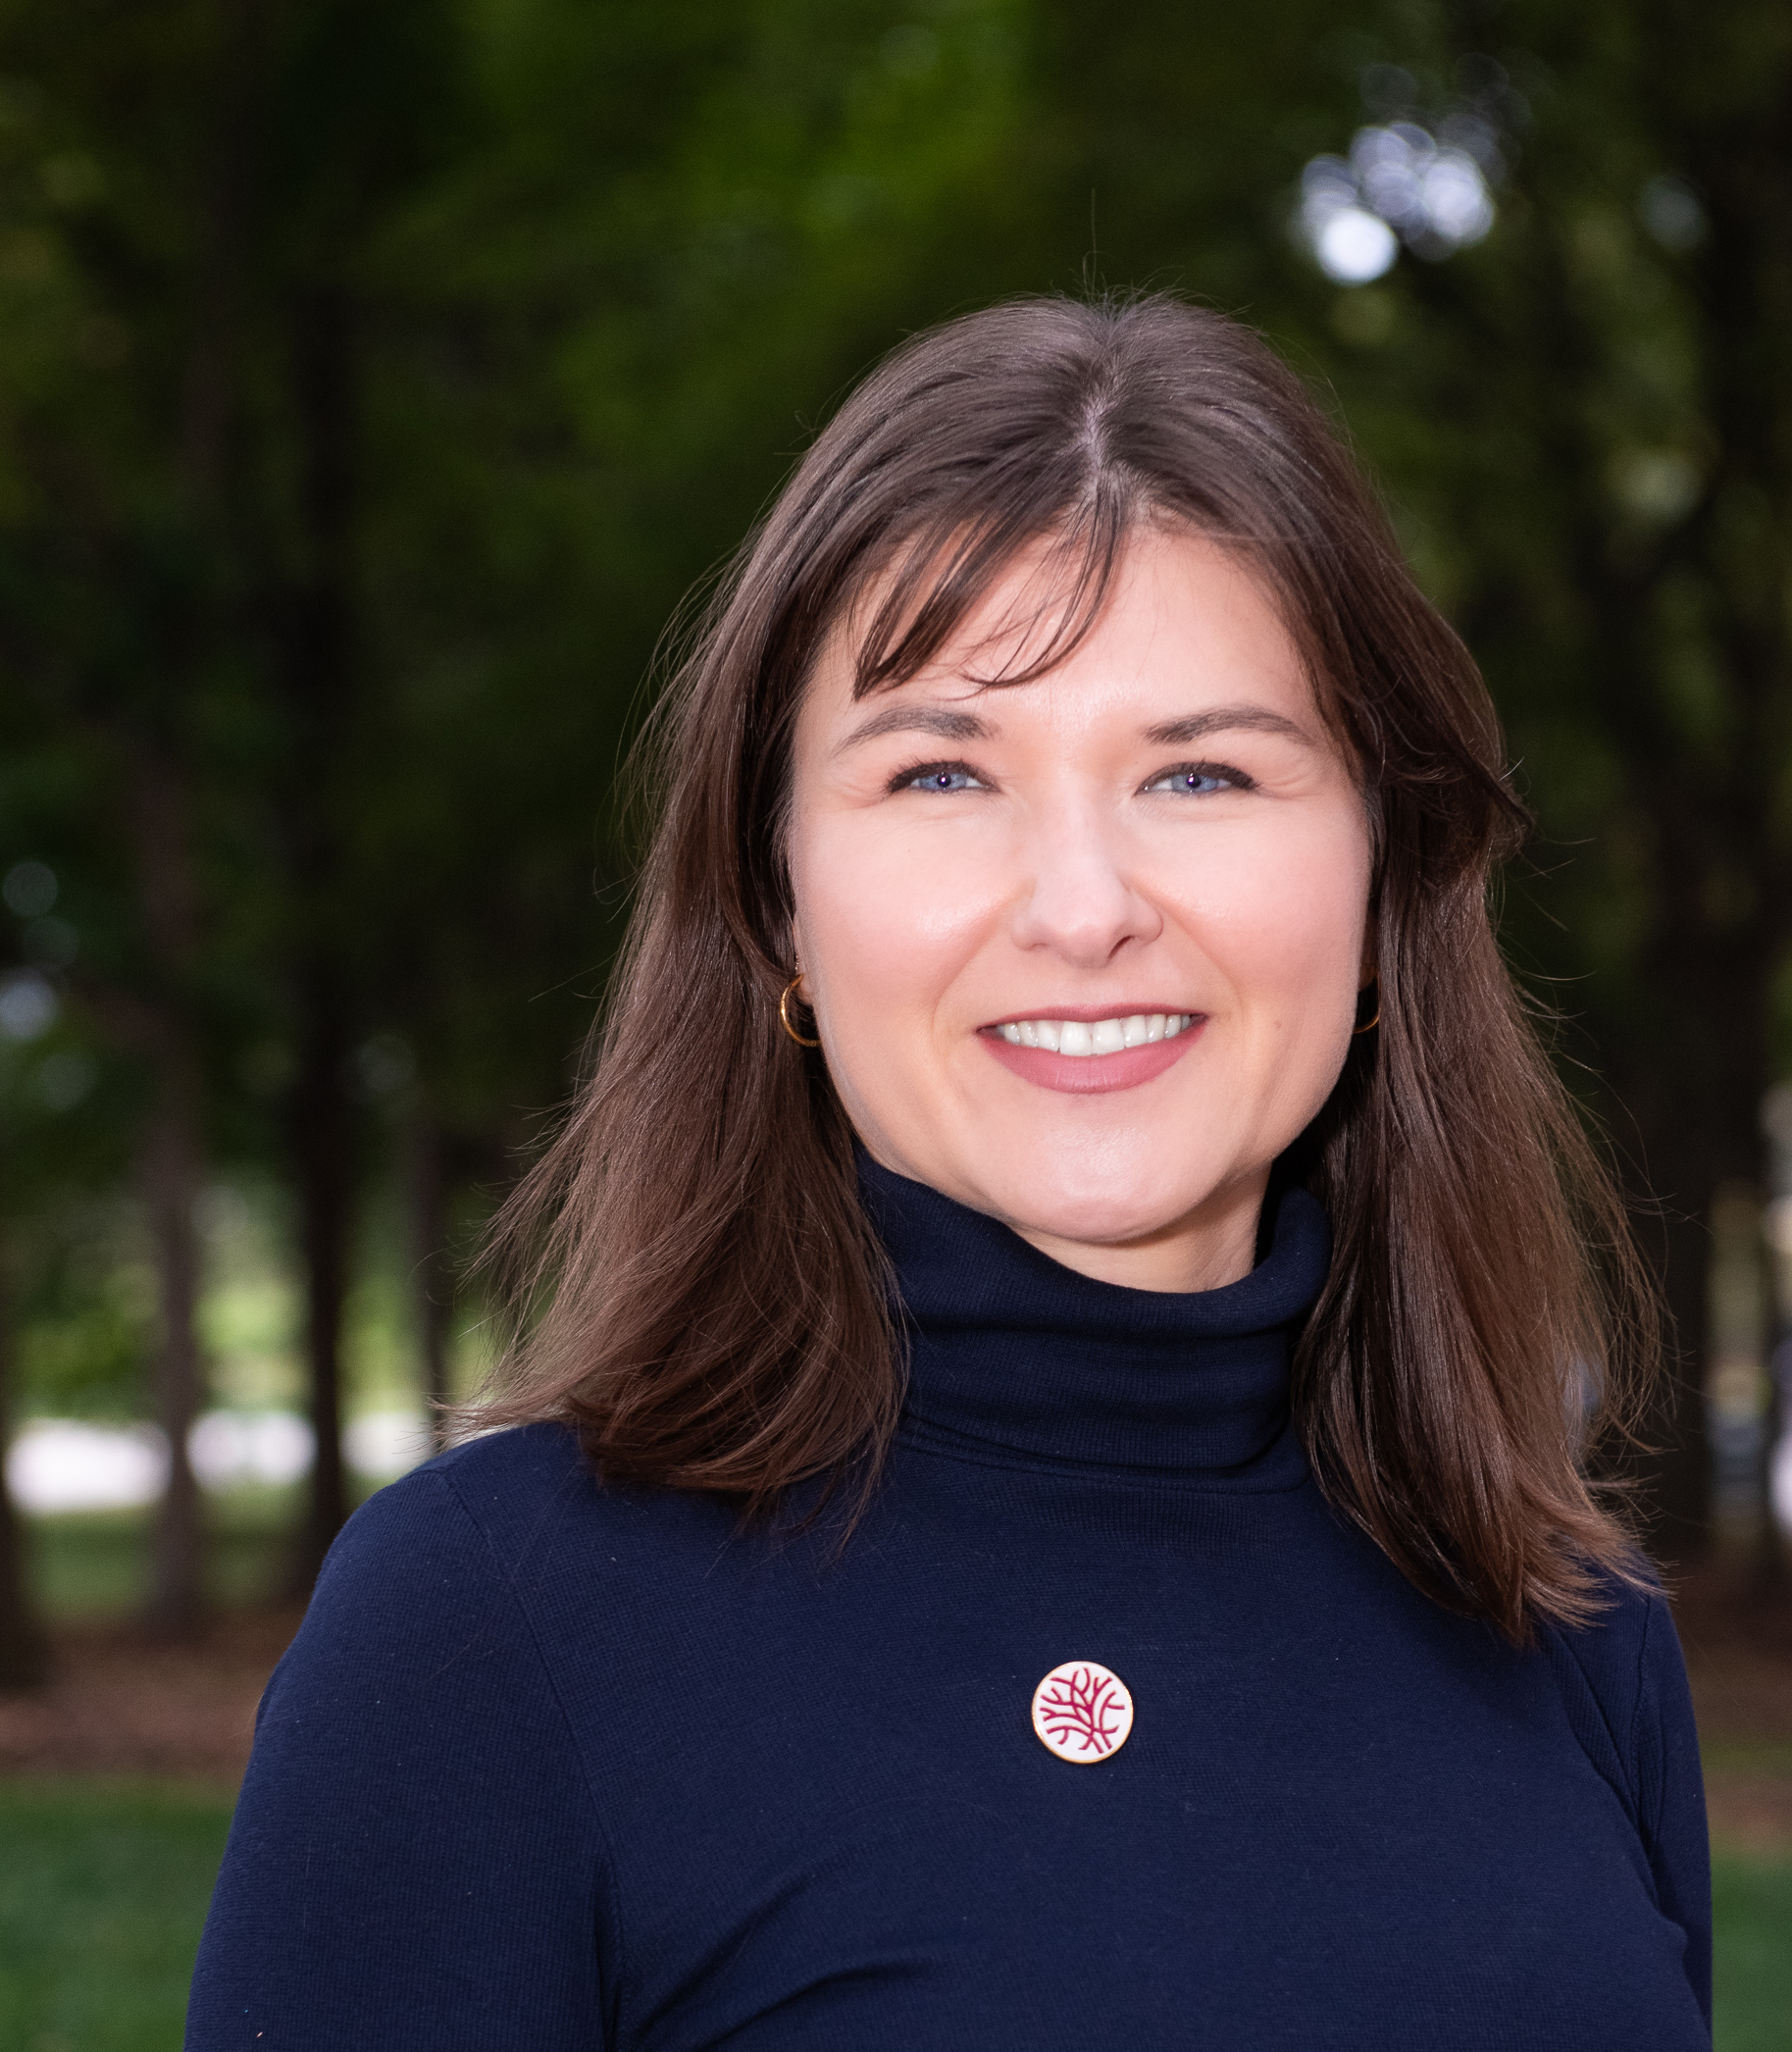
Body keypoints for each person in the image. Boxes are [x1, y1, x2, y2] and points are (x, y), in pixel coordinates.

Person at [187, 294, 1711, 2048]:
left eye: (1203, 771)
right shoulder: (489, 1633)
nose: (1082, 907)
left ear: (1385, 883)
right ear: (777, 905)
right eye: (940, 773)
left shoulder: (1568, 1623)